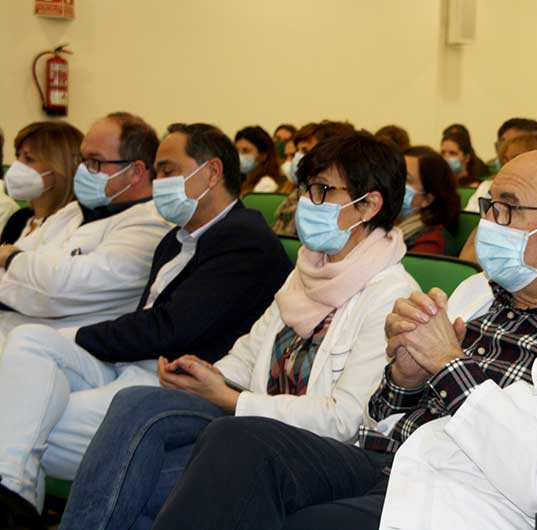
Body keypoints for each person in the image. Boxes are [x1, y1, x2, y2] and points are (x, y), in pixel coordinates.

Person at [136, 150, 537, 530]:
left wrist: (450, 367)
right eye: (490, 204)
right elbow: (382, 414)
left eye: (507, 209)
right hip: (384, 459)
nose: (488, 222)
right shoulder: (479, 290)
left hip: (471, 495)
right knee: (237, 440)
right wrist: (405, 377)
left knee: (309, 523)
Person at [57, 132, 419, 530]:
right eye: (306, 189)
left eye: (321, 191)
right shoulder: (310, 268)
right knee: (135, 402)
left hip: (310, 449)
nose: (305, 204)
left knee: (147, 480)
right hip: (244, 422)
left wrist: (232, 399)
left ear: (369, 204)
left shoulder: (392, 295)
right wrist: (210, 374)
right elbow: (251, 351)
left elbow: (346, 419)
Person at [0, 123, 292, 528]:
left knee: (22, 421)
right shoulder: (177, 238)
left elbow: (169, 329)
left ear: (211, 173)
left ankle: (10, 495)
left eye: (169, 170)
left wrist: (83, 336)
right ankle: (11, 493)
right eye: (157, 171)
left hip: (175, 385)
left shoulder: (245, 241)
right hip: (133, 365)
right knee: (29, 341)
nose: (159, 182)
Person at [0, 112, 172, 339]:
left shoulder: (151, 226)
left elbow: (58, 292)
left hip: (64, 349)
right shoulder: (75, 211)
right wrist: (26, 271)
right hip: (15, 329)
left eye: (94, 161)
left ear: (135, 172)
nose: (82, 170)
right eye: (82, 160)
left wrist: (14, 260)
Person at [459, 132, 537, 262]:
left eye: (515, 159)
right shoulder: (494, 201)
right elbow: (468, 261)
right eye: (505, 160)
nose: (506, 166)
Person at [1, 122, 81, 244]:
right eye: (18, 156)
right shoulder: (18, 219)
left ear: (61, 167)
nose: (17, 165)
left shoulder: (72, 225)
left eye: (29, 159)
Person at [272, 120, 356, 236]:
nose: (298, 157)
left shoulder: (335, 205)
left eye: (305, 150)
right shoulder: (298, 194)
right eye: (298, 150)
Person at [397, 146, 460, 255]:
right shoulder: (382, 227)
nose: (394, 184)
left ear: (427, 199)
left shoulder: (431, 243)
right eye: (396, 176)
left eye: (406, 179)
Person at [234, 125, 284, 194]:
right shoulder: (240, 182)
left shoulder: (266, 184)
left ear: (263, 155)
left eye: (246, 151)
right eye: (236, 151)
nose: (239, 156)